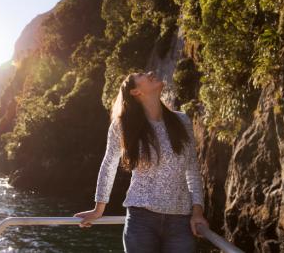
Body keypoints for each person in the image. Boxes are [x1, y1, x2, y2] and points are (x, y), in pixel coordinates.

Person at [73, 71, 210, 252]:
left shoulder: (182, 120)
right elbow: (109, 165)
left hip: (180, 223)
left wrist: (197, 212)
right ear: (135, 92)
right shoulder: (122, 125)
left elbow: (192, 169)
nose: (151, 73)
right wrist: (99, 209)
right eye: (142, 74)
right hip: (141, 222)